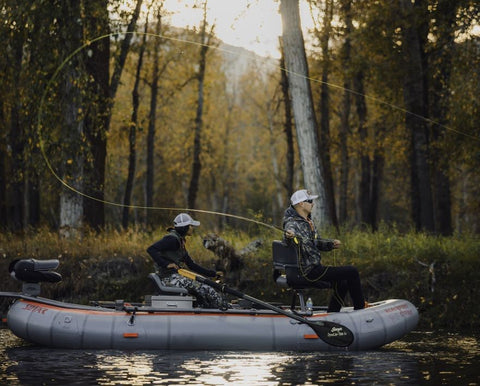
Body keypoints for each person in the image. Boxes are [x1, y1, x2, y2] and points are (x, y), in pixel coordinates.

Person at [283, 189, 367, 312]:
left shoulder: (308, 222)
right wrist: (289, 235)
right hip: (308, 271)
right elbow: (289, 236)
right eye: (310, 201)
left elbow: (315, 242)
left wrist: (330, 244)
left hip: (315, 268)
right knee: (352, 272)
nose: (313, 204)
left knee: (342, 283)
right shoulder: (292, 223)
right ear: (301, 204)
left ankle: (333, 313)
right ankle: (360, 309)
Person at [147, 213, 225, 309]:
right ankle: (223, 308)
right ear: (184, 228)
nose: (192, 228)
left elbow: (191, 265)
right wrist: (166, 264)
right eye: (191, 226)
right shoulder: (172, 240)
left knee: (205, 286)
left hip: (174, 277)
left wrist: (213, 274)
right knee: (205, 288)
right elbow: (151, 249)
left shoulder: (180, 242)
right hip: (168, 279)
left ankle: (207, 308)